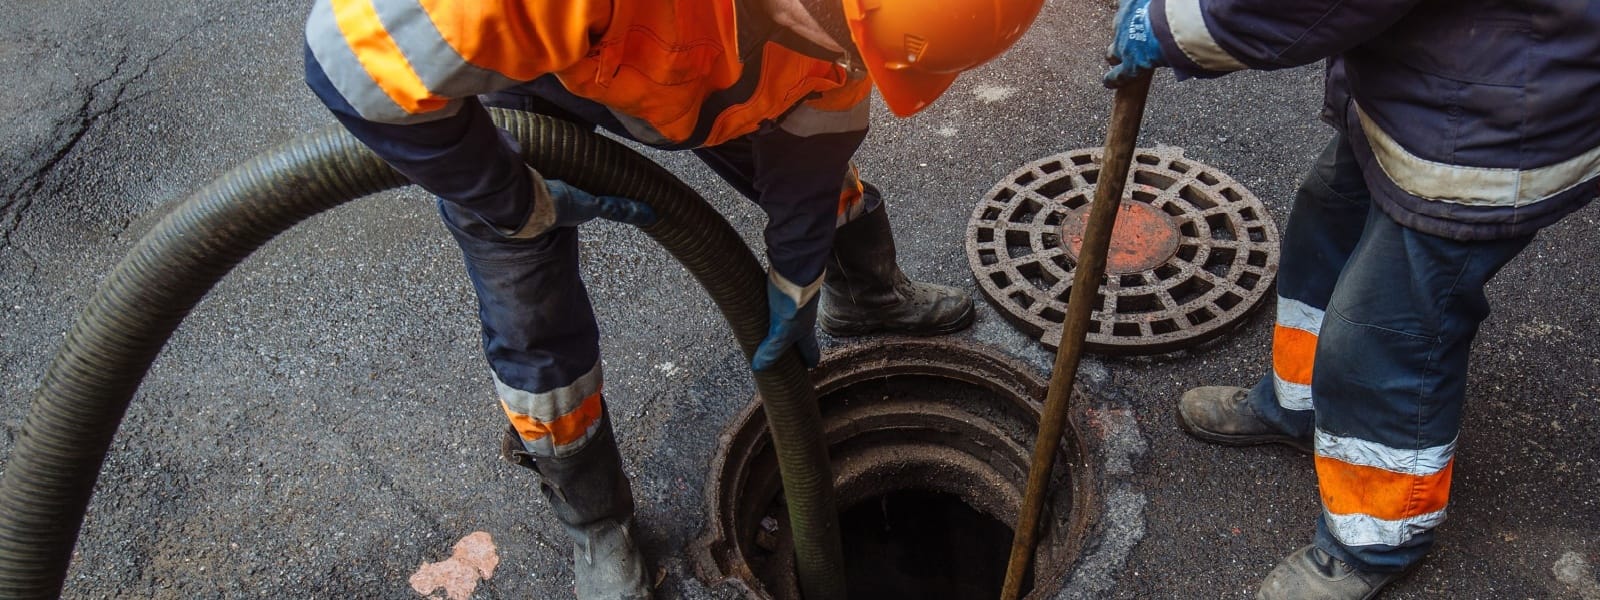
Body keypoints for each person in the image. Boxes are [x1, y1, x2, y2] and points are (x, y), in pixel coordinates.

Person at [303, 0, 1043, 597]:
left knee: (818, 183)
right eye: (850, 45)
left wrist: (797, 275)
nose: (855, 66)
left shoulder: (851, 27)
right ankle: (598, 523)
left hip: (709, 78)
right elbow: (344, 59)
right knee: (532, 319)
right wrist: (511, 196)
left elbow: (822, 125)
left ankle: (866, 294)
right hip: (541, 84)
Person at [1106, 0, 1599, 598]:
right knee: (1325, 228)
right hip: (1425, 81)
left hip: (1493, 123)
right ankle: (1300, 403)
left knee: (1387, 331)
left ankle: (1378, 538)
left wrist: (1179, 23)